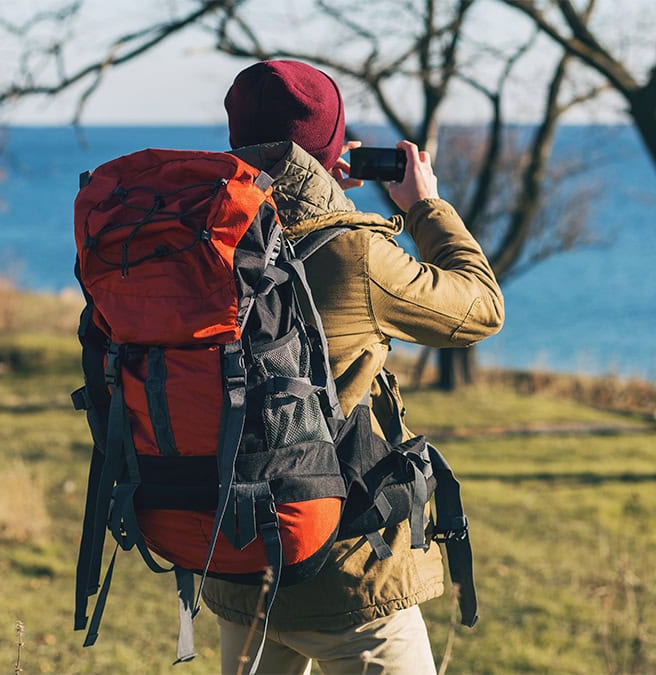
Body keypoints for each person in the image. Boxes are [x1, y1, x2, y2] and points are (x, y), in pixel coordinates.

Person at [203, 59, 505, 675]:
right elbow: (480, 308)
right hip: (344, 572)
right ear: (333, 151)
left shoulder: (201, 238)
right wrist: (425, 207)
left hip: (236, 560)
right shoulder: (355, 250)